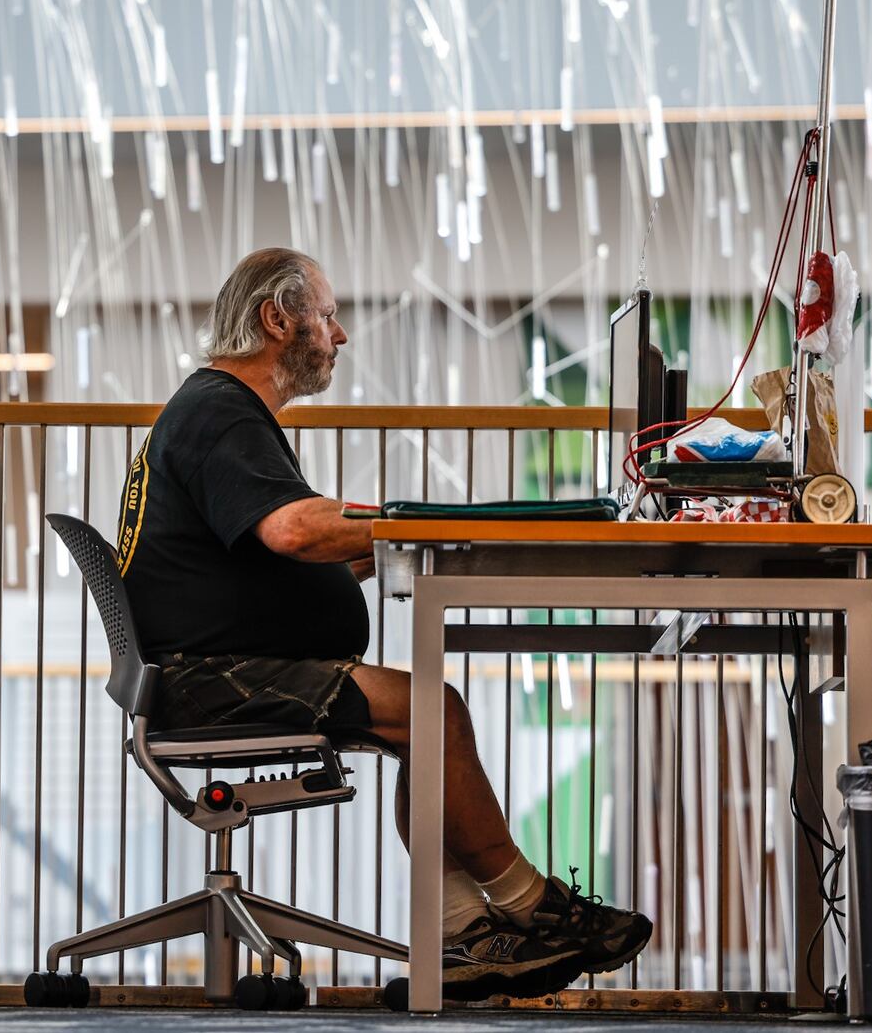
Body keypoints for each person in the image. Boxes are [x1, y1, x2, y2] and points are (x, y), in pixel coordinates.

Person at [116, 247, 651, 1001]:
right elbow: (294, 532)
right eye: (328, 317)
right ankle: (534, 907)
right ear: (278, 320)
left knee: (426, 721)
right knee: (431, 711)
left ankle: (467, 933)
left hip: (208, 671)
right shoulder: (220, 411)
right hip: (210, 683)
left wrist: (373, 545)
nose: (340, 336)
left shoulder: (218, 411)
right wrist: (404, 521)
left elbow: (265, 549)